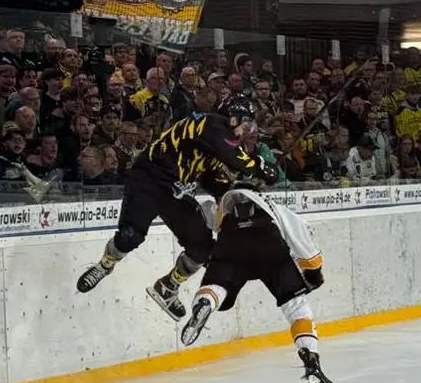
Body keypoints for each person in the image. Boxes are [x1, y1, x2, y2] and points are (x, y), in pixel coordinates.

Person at [76, 98, 276, 319]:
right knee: (130, 235)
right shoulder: (210, 123)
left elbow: (211, 180)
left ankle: (168, 287)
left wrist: (237, 191)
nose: (245, 132)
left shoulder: (224, 145)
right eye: (245, 125)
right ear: (233, 116)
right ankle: (105, 265)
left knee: (202, 249)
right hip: (149, 180)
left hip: (177, 192)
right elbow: (230, 153)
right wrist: (259, 166)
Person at [177, 178, 335, 383]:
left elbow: (199, 218)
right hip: (268, 245)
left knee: (218, 285)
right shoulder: (272, 205)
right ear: (258, 192)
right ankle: (311, 361)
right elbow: (301, 237)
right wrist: (314, 270)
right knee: (297, 307)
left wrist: (183, 196)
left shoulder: (223, 206)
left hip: (231, 242)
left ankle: (206, 303)